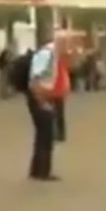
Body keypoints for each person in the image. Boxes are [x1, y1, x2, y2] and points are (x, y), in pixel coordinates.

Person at [25, 33, 66, 181]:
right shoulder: (47, 54)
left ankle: (37, 170)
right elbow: (36, 77)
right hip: (40, 96)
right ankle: (42, 171)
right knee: (46, 135)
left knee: (43, 135)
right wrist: (41, 100)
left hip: (44, 96)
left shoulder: (53, 54)